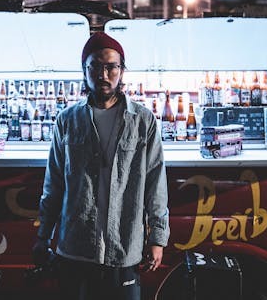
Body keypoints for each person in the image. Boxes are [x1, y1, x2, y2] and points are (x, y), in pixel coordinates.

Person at [33, 32, 169, 300]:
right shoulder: (67, 120)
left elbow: (156, 182)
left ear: (122, 70)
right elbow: (54, 183)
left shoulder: (143, 120)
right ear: (84, 70)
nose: (103, 74)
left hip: (124, 245)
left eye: (111, 67)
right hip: (75, 245)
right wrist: (43, 235)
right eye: (95, 66)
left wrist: (157, 239)